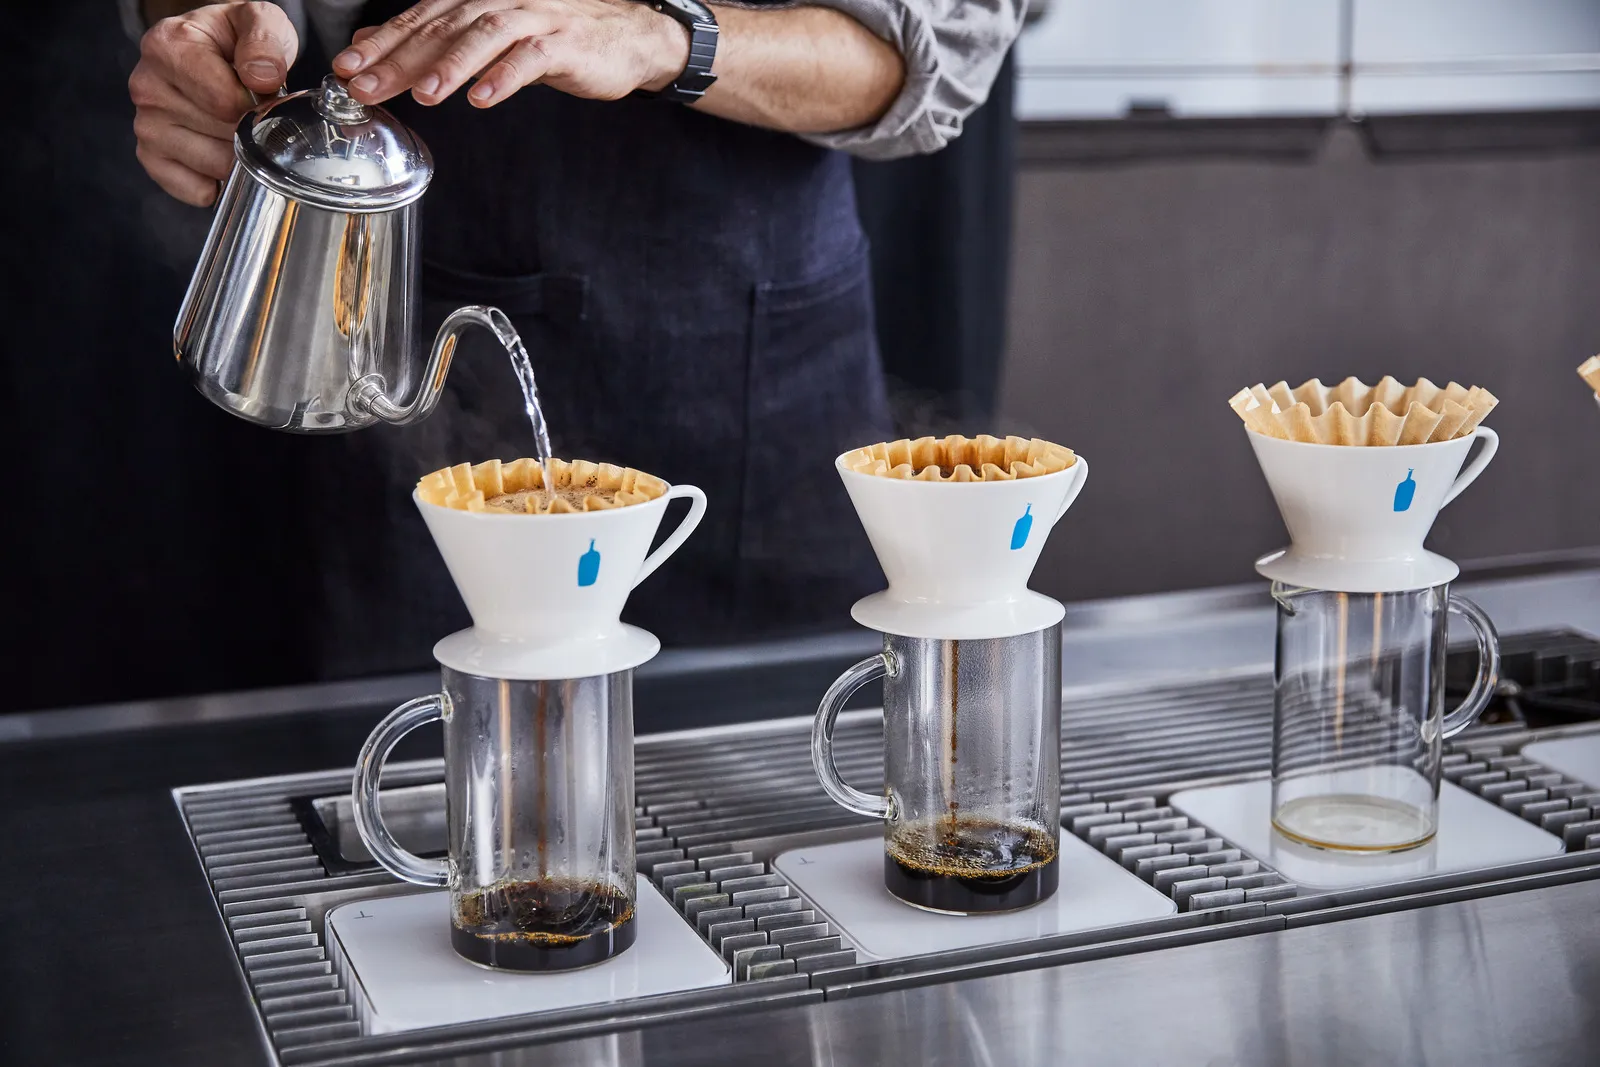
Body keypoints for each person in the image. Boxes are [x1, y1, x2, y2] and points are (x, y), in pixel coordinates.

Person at [127, 0, 1024, 675]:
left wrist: (659, 36)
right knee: (430, 816)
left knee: (774, 793)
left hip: (757, 360)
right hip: (408, 322)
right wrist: (205, 42)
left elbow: (930, 57)